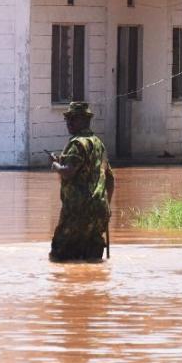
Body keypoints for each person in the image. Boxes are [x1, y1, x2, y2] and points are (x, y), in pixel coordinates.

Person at [47, 101, 114, 262]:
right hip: (99, 209)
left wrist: (55, 165)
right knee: (92, 260)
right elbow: (110, 179)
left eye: (73, 119)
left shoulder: (77, 143)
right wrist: (106, 205)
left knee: (58, 257)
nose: (68, 123)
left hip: (78, 210)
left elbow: (68, 172)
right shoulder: (98, 144)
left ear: (85, 120)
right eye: (68, 119)